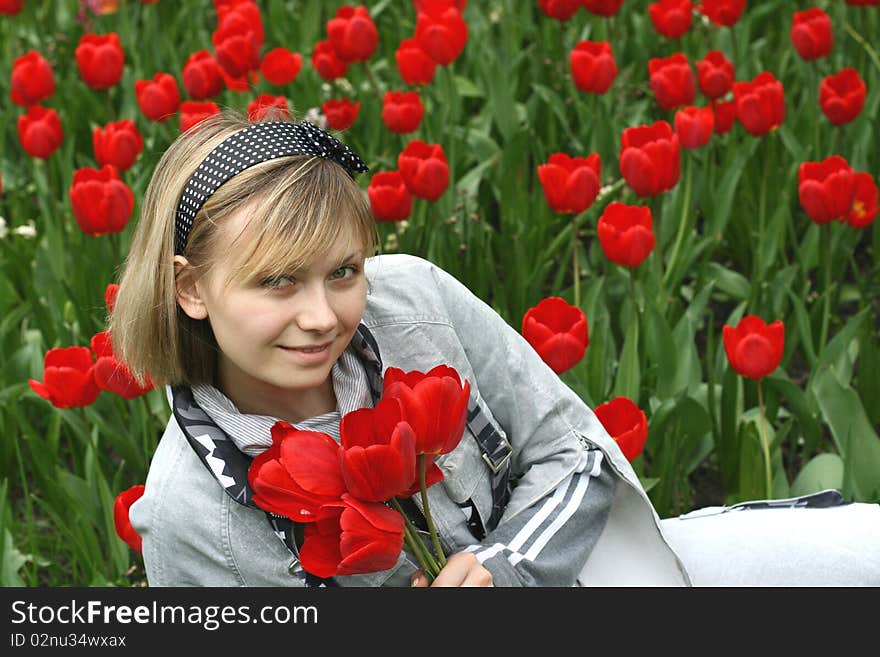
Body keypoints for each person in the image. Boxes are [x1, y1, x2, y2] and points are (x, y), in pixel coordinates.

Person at [114, 109, 880, 587]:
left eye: (343, 269)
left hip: (600, 570)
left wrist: (505, 567)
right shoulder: (192, 518)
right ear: (190, 289)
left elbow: (576, 453)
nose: (322, 315)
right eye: (277, 282)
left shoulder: (411, 300)